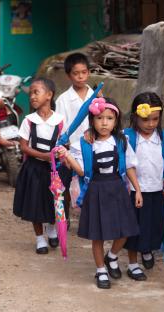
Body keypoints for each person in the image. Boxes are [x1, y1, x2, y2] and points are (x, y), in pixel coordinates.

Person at [57, 97, 142, 289]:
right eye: (100, 118)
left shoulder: (121, 141)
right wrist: (67, 154)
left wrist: (137, 189)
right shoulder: (86, 144)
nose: (104, 122)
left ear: (116, 121)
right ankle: (101, 269)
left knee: (125, 229)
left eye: (109, 118)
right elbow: (81, 171)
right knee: (98, 234)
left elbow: (129, 167)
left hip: (118, 189)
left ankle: (111, 256)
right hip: (96, 190)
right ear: (92, 121)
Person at [123, 92, 164, 281]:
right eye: (145, 120)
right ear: (135, 117)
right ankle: (133, 264)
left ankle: (147, 250)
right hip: (135, 191)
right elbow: (127, 165)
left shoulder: (163, 137)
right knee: (134, 229)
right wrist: (137, 190)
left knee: (155, 225)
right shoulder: (128, 137)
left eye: (155, 119)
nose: (150, 124)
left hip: (157, 190)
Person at [13, 77, 64, 255]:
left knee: (53, 203)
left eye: (37, 92)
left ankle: (51, 228)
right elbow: (24, 146)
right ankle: (40, 238)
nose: (32, 96)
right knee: (35, 204)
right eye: (31, 93)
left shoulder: (60, 121)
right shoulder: (29, 120)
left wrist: (60, 153)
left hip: (54, 171)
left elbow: (65, 145)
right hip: (34, 168)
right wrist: (43, 155)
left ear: (49, 95)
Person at [55, 52, 95, 229]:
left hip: (92, 146)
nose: (80, 76)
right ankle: (67, 216)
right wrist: (67, 145)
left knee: (89, 181)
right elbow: (61, 124)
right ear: (68, 75)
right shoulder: (63, 99)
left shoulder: (95, 96)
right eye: (76, 73)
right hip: (70, 148)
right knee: (67, 184)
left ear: (89, 72)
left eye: (84, 72)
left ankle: (88, 215)